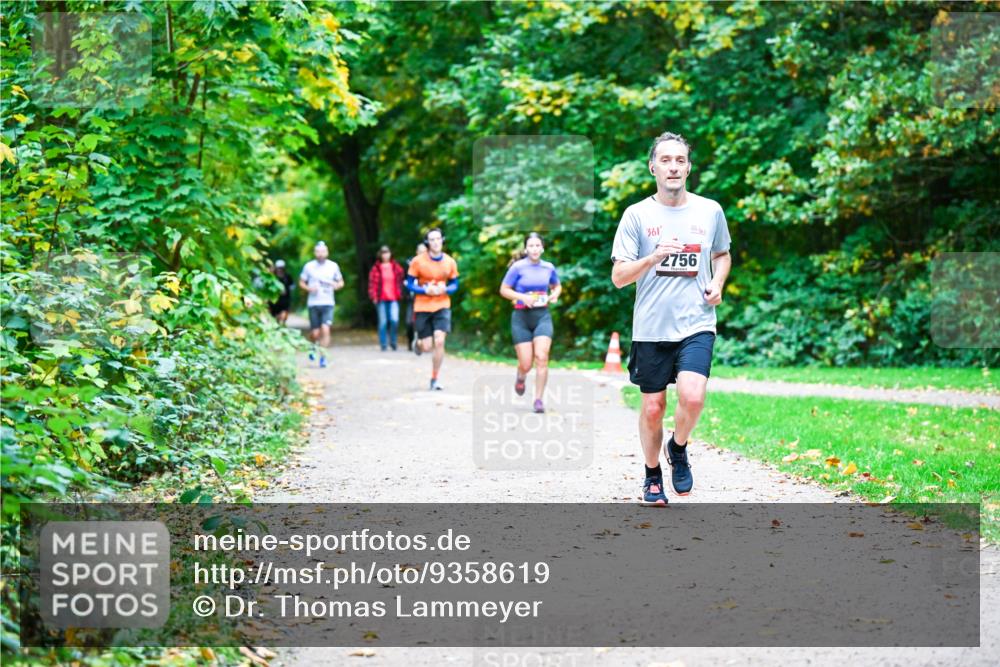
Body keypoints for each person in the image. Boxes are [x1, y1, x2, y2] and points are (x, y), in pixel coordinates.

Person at [611, 131, 732, 506]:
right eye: (666, 160)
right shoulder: (637, 215)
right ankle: (651, 475)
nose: (674, 167)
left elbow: (722, 254)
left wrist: (718, 282)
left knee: (693, 398)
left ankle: (677, 448)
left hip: (697, 322)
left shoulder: (709, 210)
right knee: (652, 407)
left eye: (680, 160)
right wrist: (653, 258)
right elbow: (619, 278)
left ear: (689, 168)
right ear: (653, 167)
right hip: (651, 327)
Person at [499, 233, 562, 414]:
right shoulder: (518, 267)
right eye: (531, 246)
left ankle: (538, 400)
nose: (534, 249)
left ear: (542, 248)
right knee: (526, 364)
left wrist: (555, 294)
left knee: (542, 357)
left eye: (537, 245)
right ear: (526, 248)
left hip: (542, 316)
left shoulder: (548, 268)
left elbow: (556, 285)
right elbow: (504, 290)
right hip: (521, 317)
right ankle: (521, 376)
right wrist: (522, 297)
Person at [406, 228, 459, 390]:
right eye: (432, 240)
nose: (435, 242)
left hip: (442, 304)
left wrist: (445, 290)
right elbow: (409, 283)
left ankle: (435, 378)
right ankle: (419, 343)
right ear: (427, 243)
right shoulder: (417, 261)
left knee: (440, 340)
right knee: (427, 346)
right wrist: (424, 290)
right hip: (422, 305)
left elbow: (455, 284)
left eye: (438, 239)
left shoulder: (450, 262)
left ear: (442, 240)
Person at [299, 241, 344, 368]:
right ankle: (312, 346)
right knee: (315, 333)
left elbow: (341, 282)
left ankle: (323, 357)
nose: (320, 254)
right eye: (318, 252)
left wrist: (336, 285)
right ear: (314, 253)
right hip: (313, 303)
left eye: (322, 251)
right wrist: (309, 288)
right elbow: (301, 282)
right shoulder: (309, 267)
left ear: (327, 252)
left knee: (325, 329)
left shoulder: (333, 266)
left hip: (328, 302)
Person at [368, 245, 405, 351]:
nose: (385, 255)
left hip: (394, 298)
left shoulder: (395, 267)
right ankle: (383, 344)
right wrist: (373, 296)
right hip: (381, 298)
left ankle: (393, 342)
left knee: (394, 320)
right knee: (383, 322)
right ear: (380, 254)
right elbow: (372, 284)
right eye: (383, 253)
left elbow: (402, 278)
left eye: (387, 252)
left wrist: (401, 291)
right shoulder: (376, 268)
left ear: (390, 254)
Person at [405, 243, 428, 352]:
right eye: (420, 251)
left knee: (423, 322)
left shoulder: (430, 264)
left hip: (426, 299)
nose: (422, 254)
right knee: (409, 322)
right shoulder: (410, 264)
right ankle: (410, 341)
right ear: (416, 252)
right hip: (411, 298)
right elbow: (403, 280)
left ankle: (421, 342)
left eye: (424, 251)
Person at [268, 259, 294, 325]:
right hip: (274, 300)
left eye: (281, 268)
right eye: (278, 268)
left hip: (285, 300)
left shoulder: (288, 277)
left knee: (284, 316)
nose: (280, 269)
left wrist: (287, 291)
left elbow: (292, 287)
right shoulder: (272, 277)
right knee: (274, 317)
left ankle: (282, 325)